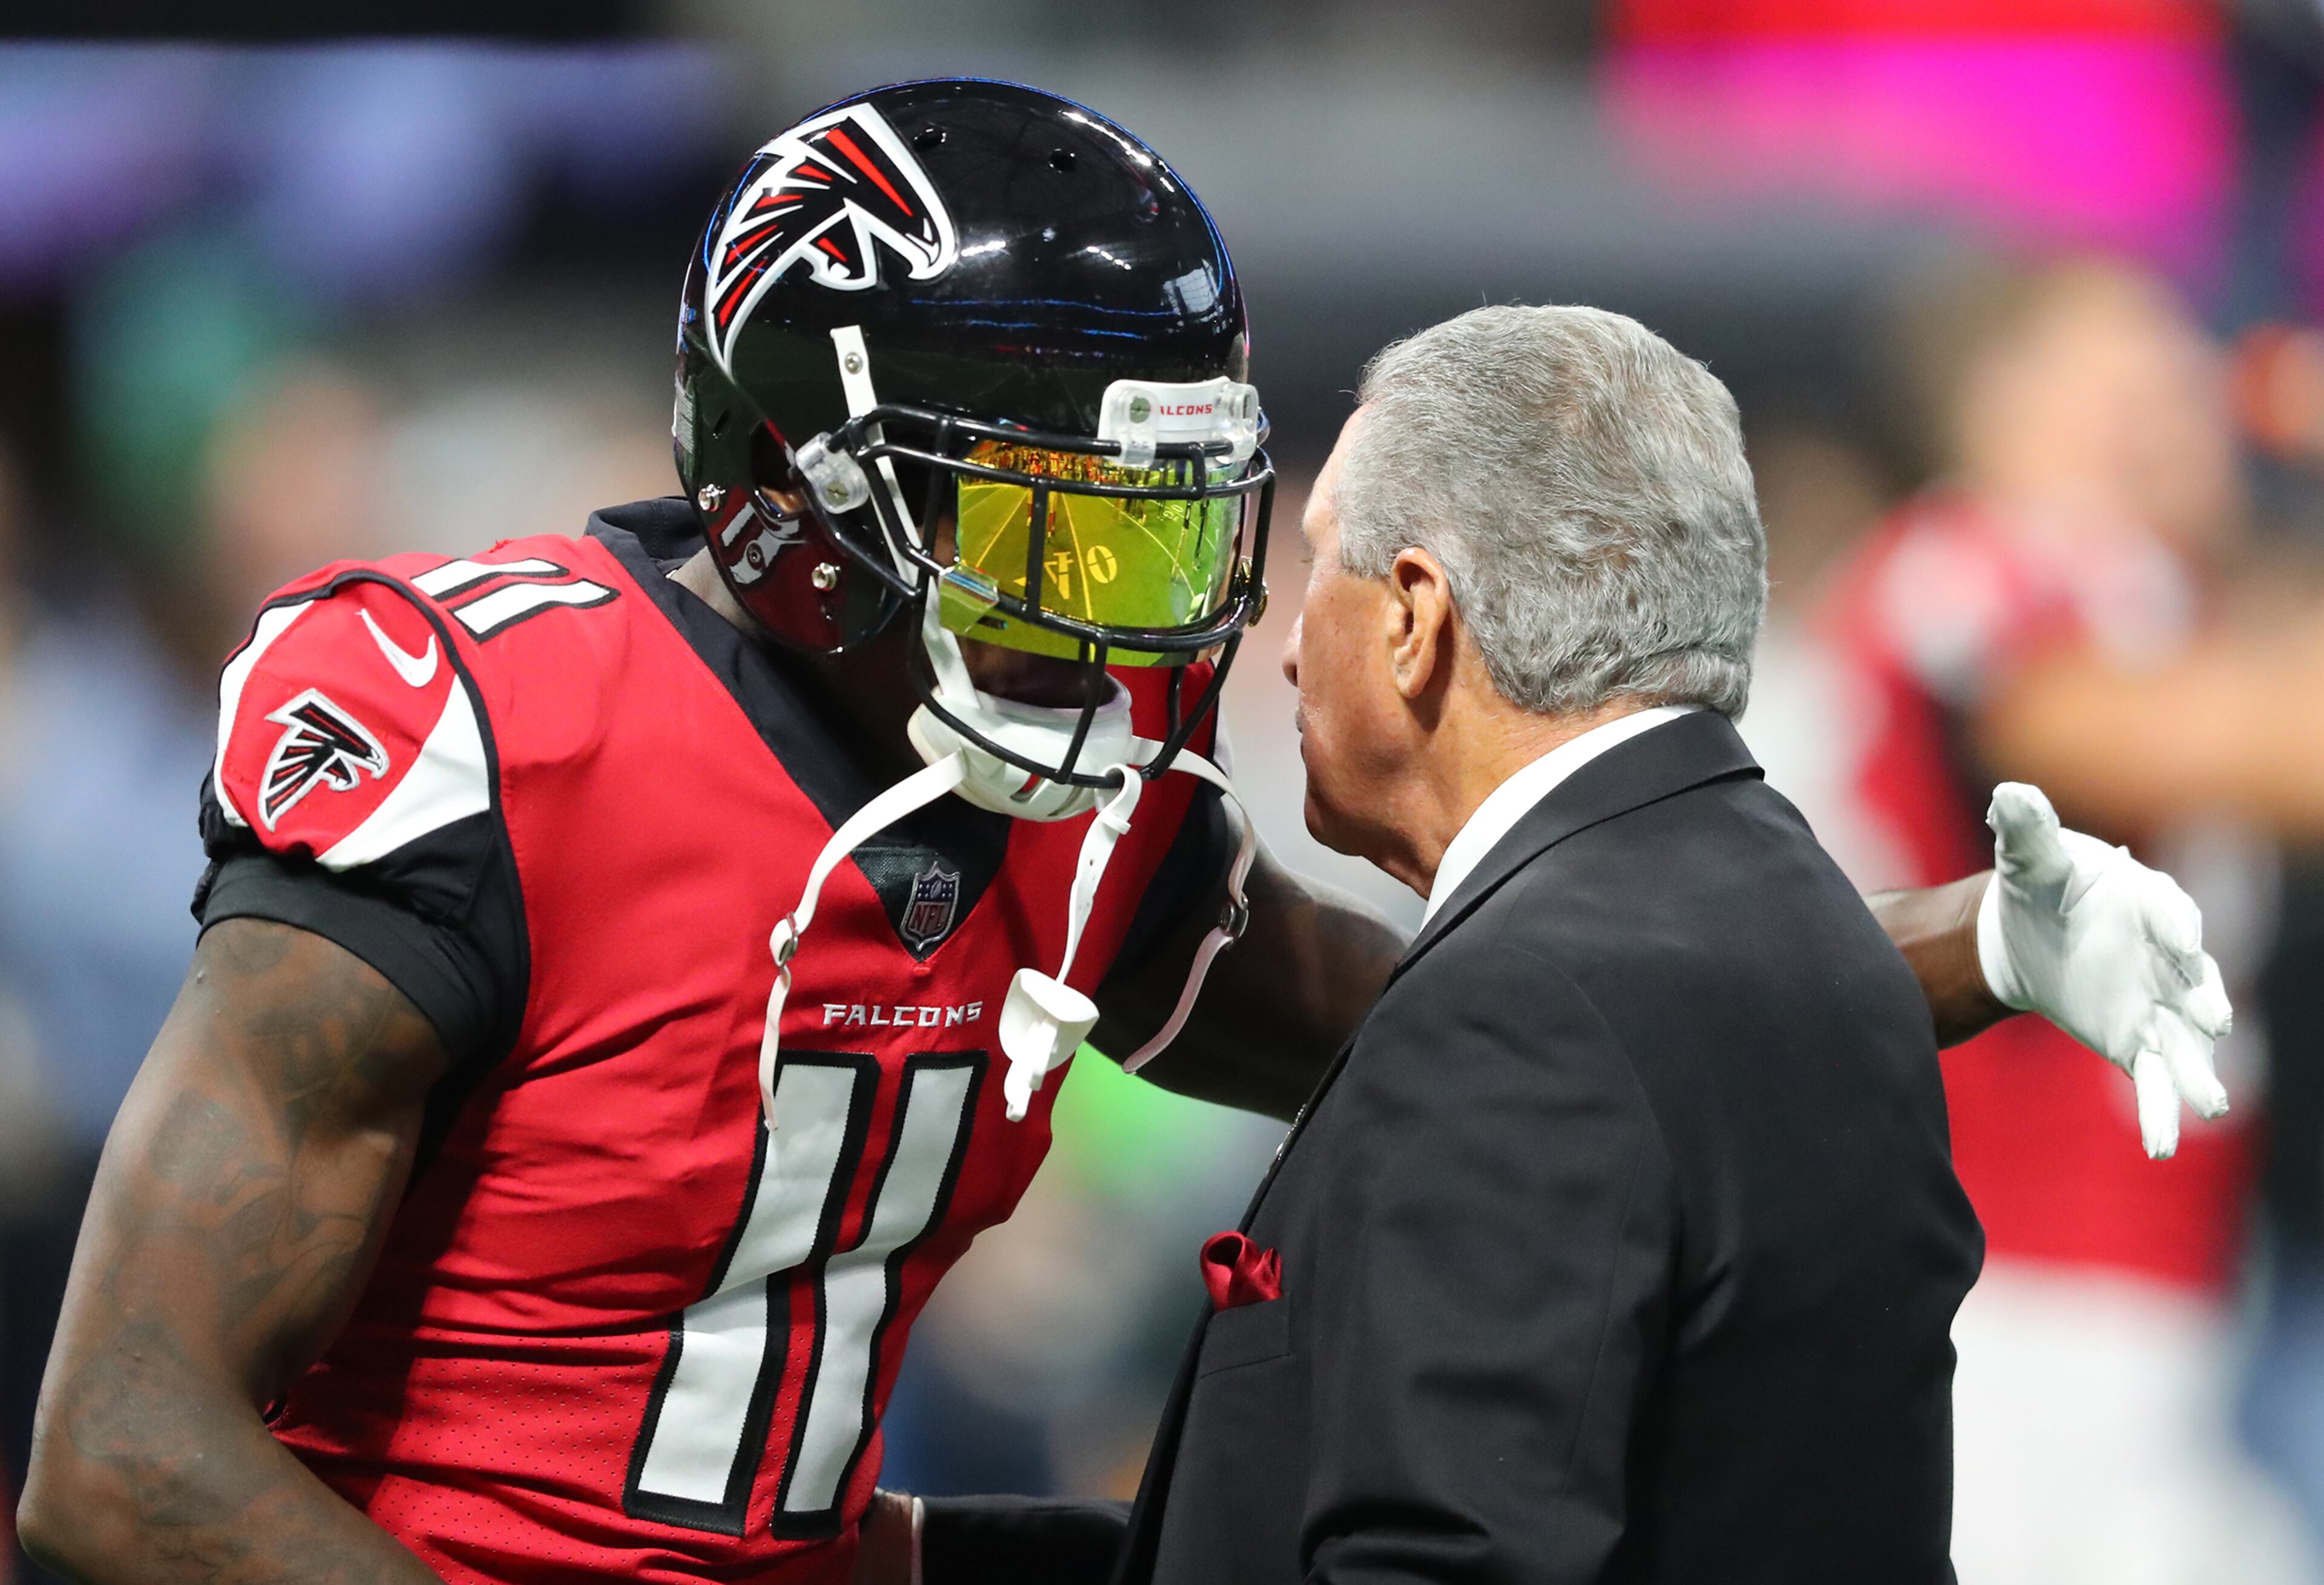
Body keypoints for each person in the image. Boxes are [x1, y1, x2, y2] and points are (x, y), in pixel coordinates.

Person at [18, 84, 2230, 1585]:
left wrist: (1969, 946)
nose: (1140, 620)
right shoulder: (504, 735)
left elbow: (1532, 1036)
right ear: (804, 492)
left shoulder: (1072, 815)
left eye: (1168, 532)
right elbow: (118, 1459)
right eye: (1055, 536)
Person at [1117, 304, 1982, 1584]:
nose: (1288, 649)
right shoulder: (1811, 919)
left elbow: (1444, 1557)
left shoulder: (1519, 1006)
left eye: (1318, 567)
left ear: (1415, 615)